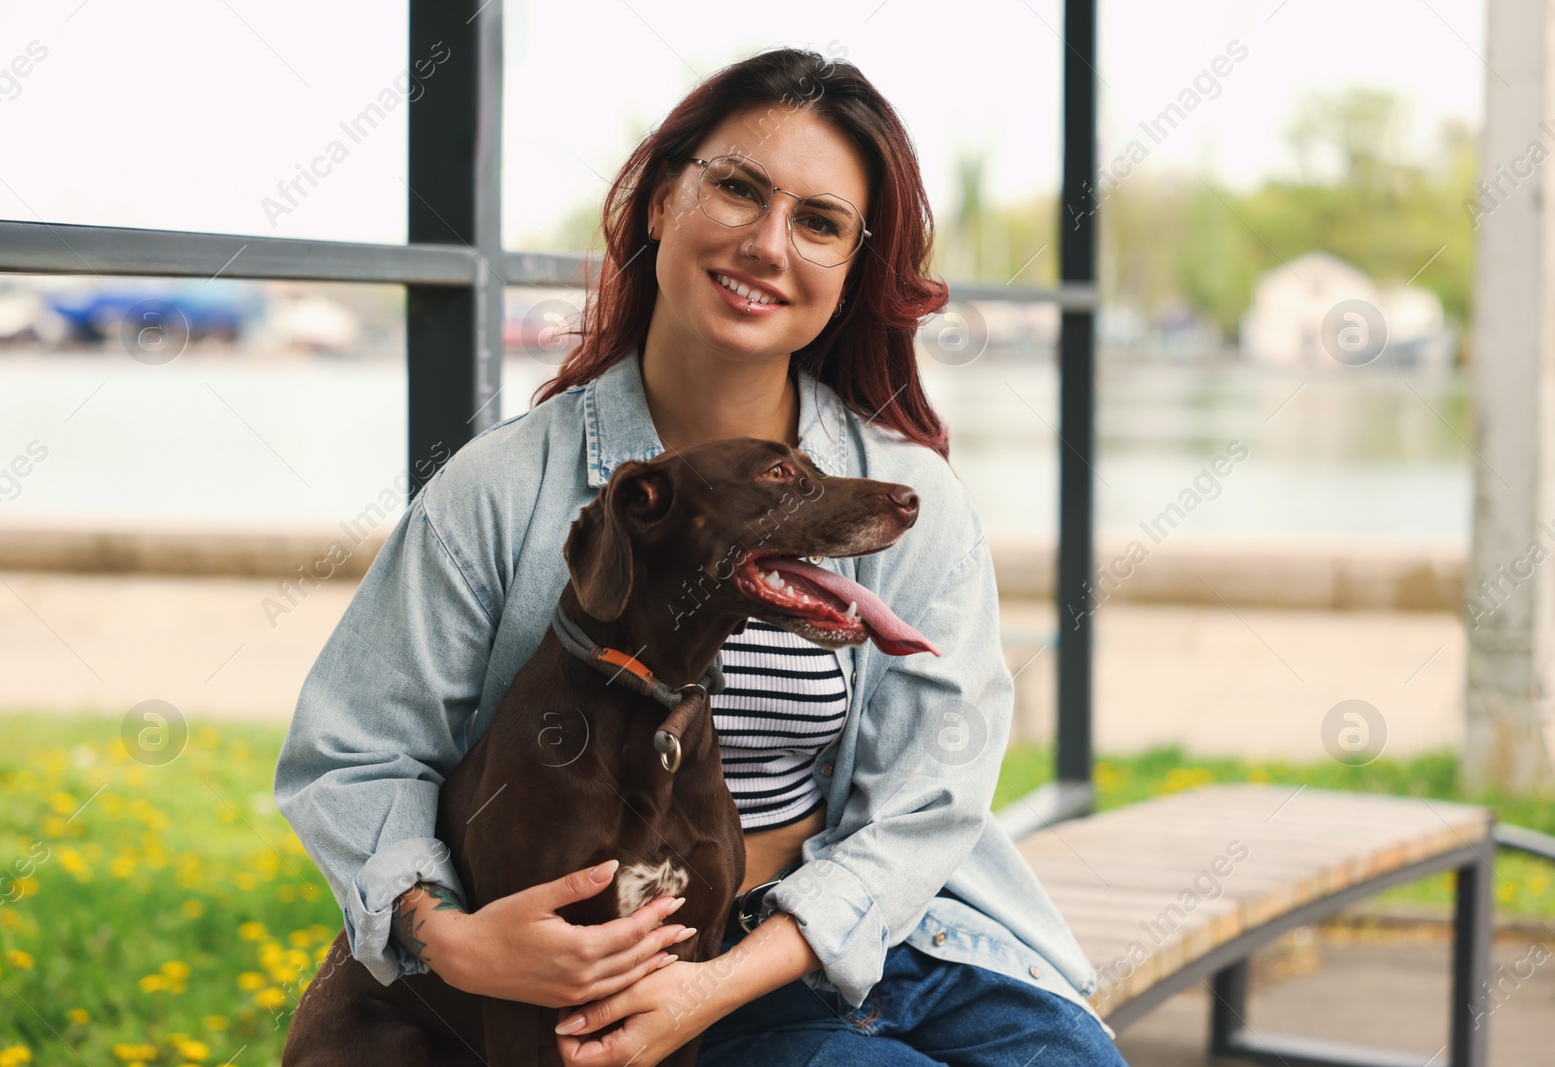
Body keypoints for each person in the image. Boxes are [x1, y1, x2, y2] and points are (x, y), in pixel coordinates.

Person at [275, 45, 1128, 1067]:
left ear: (852, 269)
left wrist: (722, 978)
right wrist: (447, 934)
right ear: (655, 204)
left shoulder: (910, 498)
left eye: (818, 222)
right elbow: (356, 750)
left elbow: (928, 799)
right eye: (736, 189)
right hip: (614, 978)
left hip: (877, 942)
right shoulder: (501, 489)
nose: (768, 243)